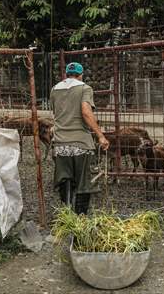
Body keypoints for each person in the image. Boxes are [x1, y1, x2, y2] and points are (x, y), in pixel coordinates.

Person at [49, 62, 109, 214]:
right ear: (81, 75)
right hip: (81, 144)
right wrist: (100, 136)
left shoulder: (54, 89)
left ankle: (66, 217)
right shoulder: (84, 88)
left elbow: (55, 115)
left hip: (60, 144)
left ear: (66, 74)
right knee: (83, 182)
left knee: (65, 179)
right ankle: (80, 219)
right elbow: (86, 112)